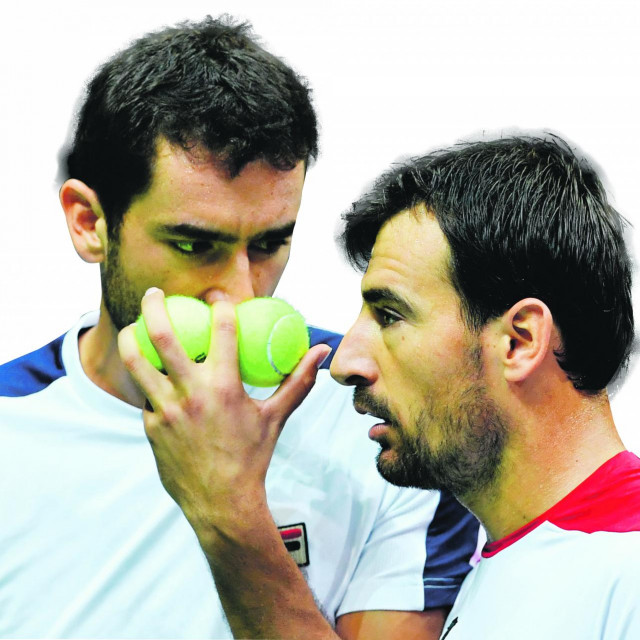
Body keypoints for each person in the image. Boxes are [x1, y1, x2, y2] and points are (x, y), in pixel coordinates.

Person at [0, 16, 479, 640]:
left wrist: (230, 509)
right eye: (195, 245)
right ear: (89, 223)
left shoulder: (391, 424)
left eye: (270, 245)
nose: (241, 293)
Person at [329, 135, 639, 638]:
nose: (346, 362)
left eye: (390, 315)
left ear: (519, 341)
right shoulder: (505, 563)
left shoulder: (628, 573)